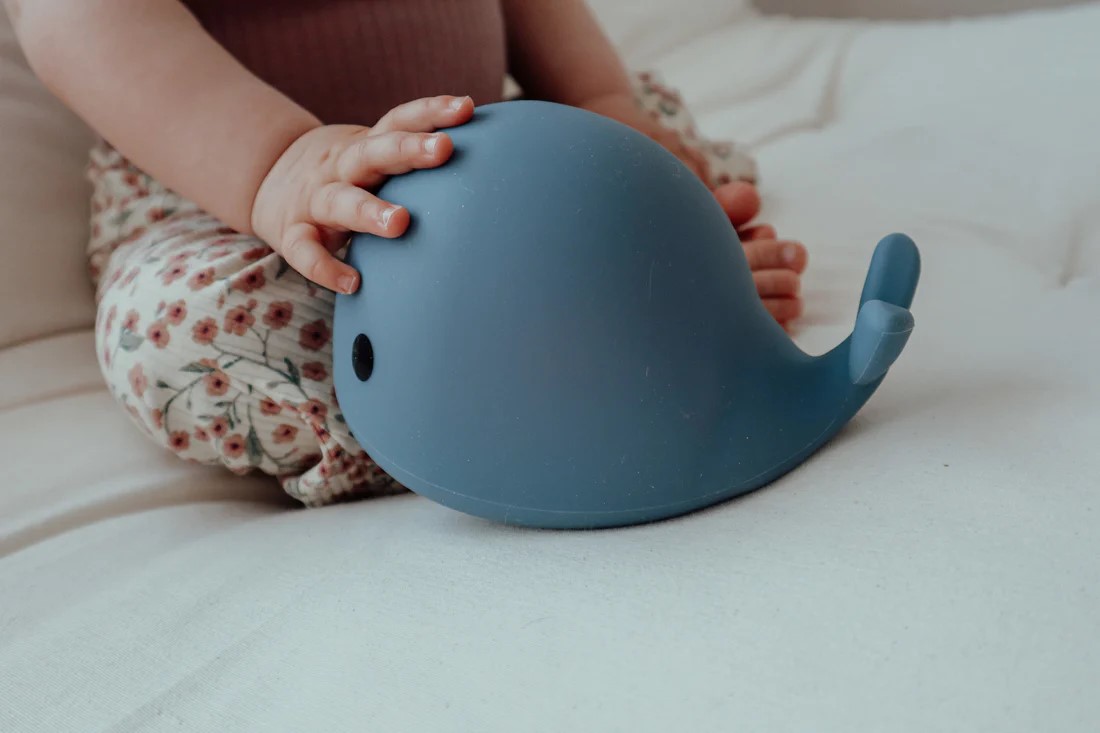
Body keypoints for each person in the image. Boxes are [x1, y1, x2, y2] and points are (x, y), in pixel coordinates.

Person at [6, 0, 808, 505]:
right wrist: (282, 165)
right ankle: (590, 351)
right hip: (234, 204)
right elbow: (76, 16)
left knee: (644, 137)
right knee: (186, 334)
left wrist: (599, 100)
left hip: (480, 162)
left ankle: (638, 289)